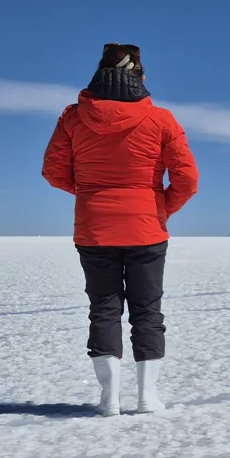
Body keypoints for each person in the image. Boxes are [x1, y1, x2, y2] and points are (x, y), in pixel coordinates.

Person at [42, 43, 199, 416]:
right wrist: (160, 207)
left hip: (95, 229)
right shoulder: (162, 120)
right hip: (147, 228)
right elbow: (187, 179)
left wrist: (90, 193)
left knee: (104, 309)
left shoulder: (73, 117)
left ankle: (109, 399)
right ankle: (147, 397)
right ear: (140, 77)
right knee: (147, 310)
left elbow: (53, 171)